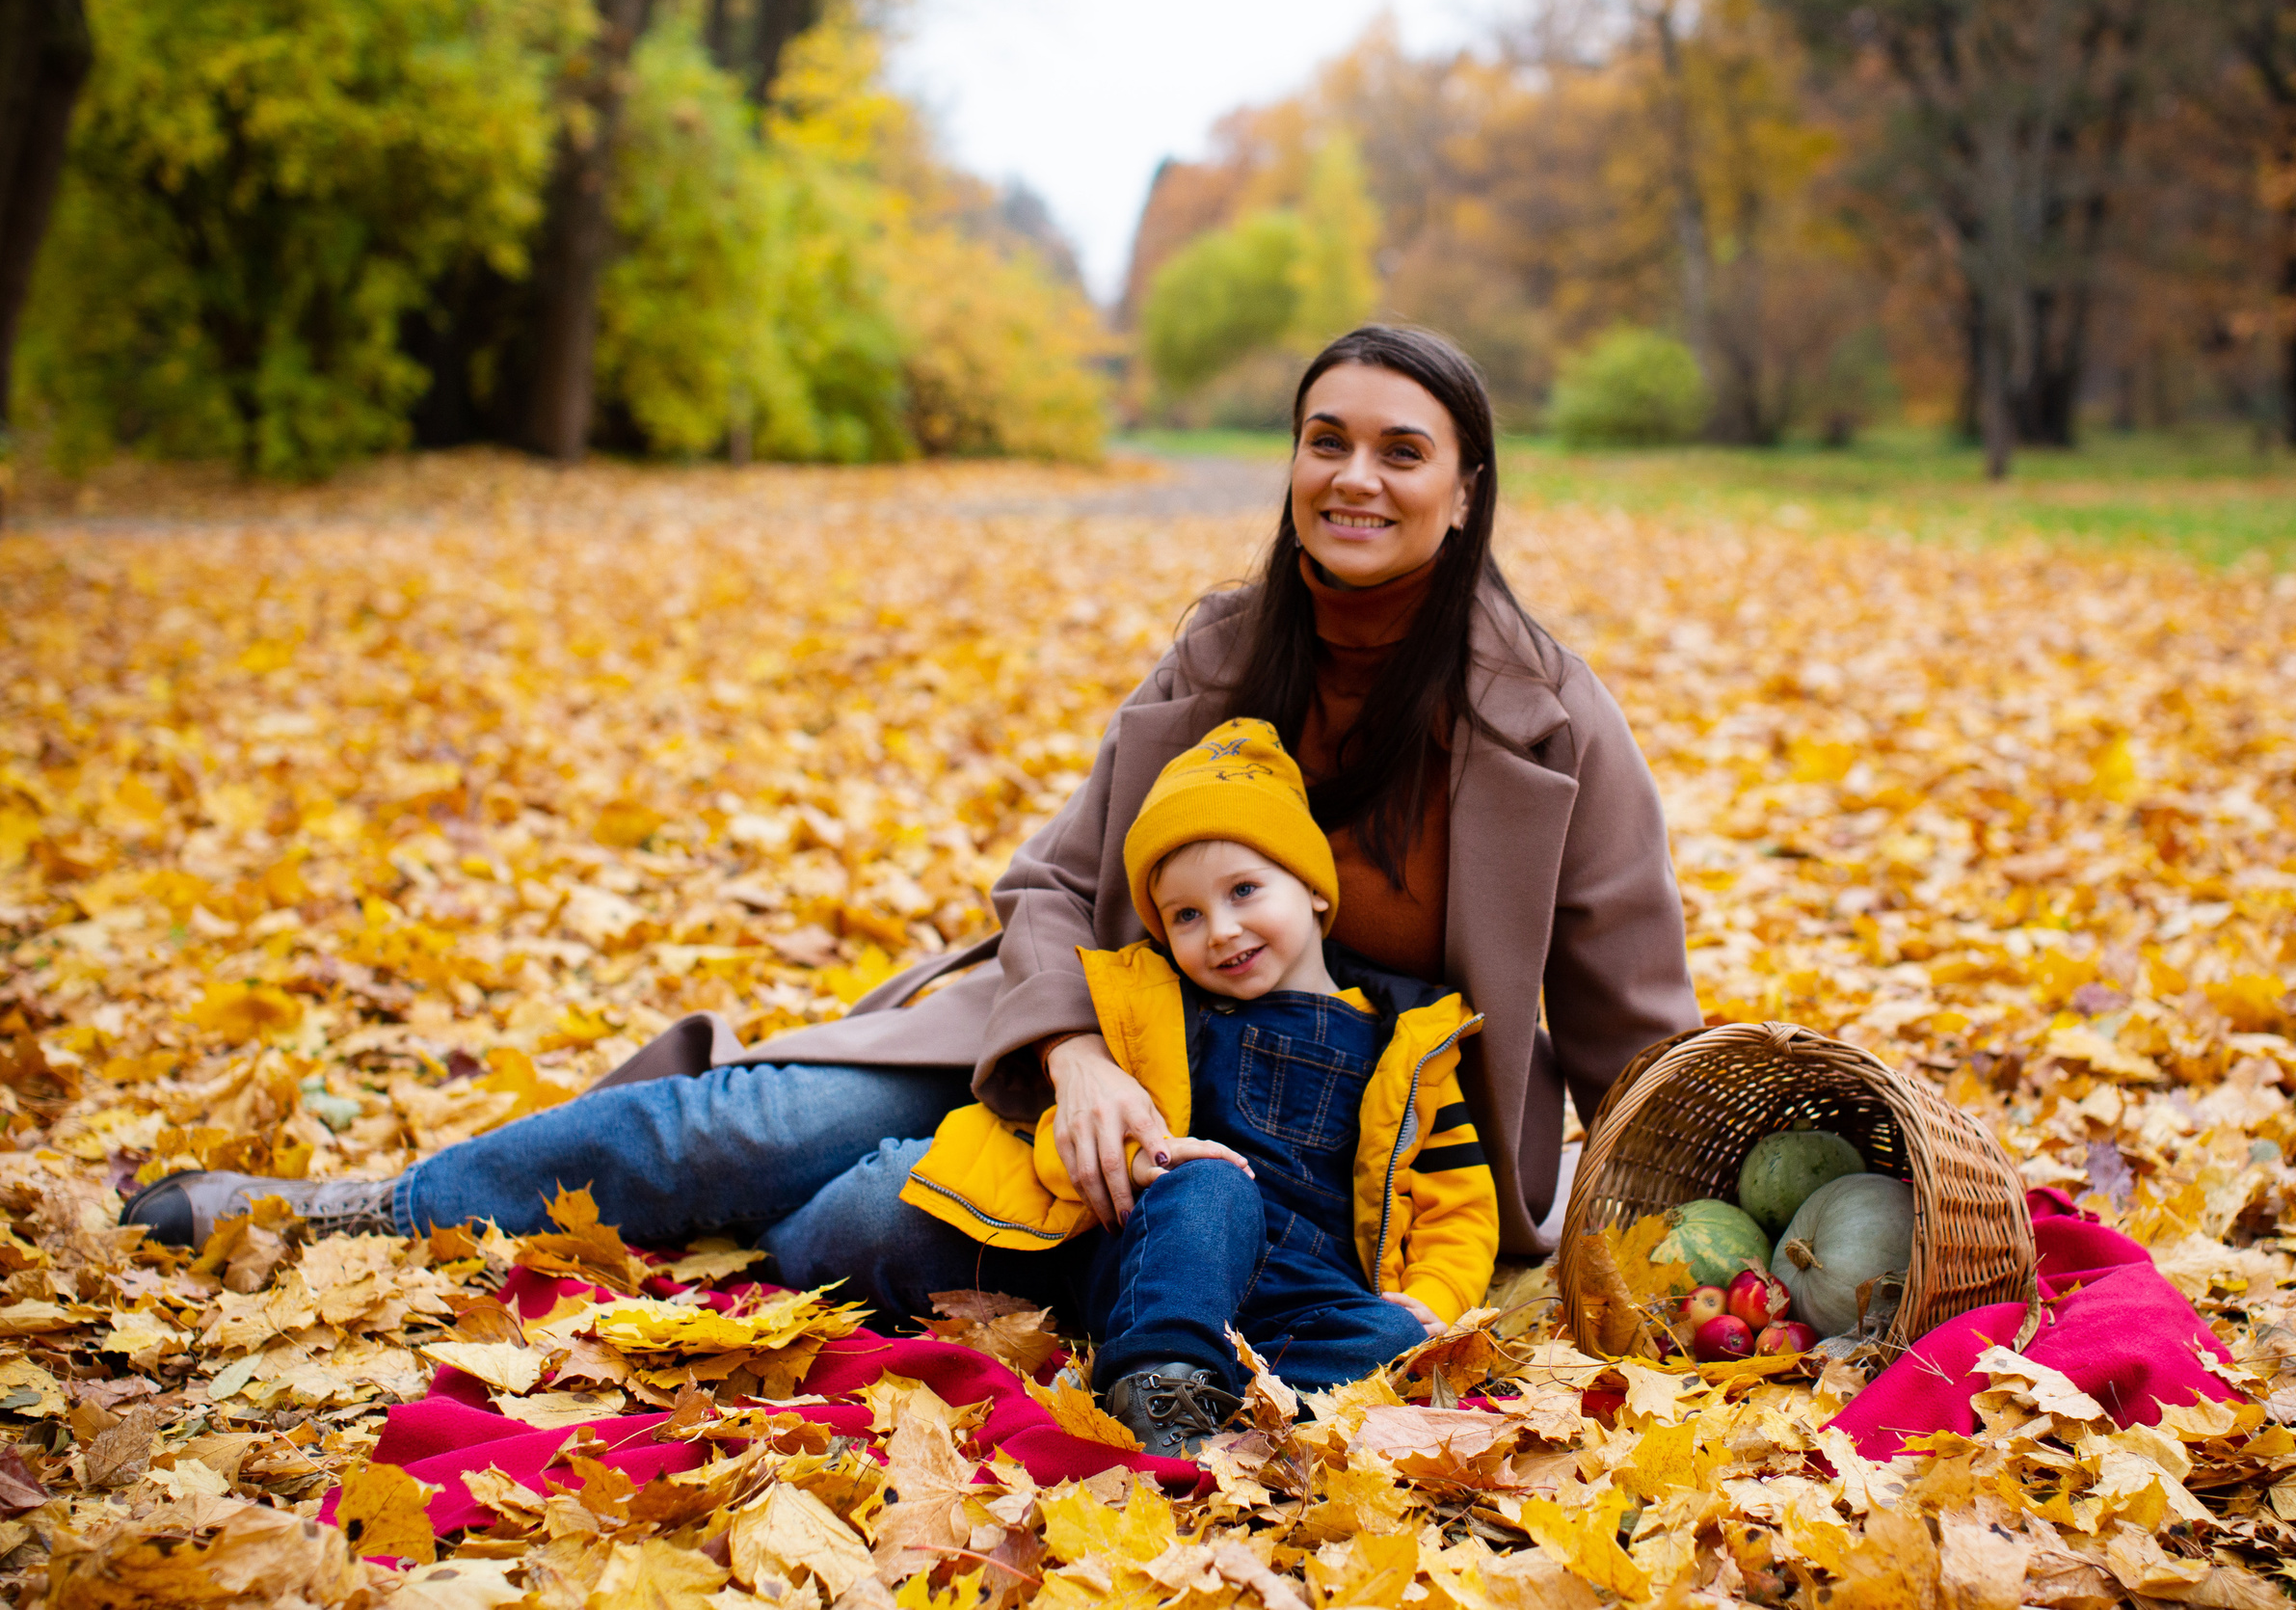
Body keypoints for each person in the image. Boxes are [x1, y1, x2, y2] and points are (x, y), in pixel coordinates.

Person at [122, 325, 1697, 1325]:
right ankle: (356, 1204)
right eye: (1325, 439)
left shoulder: (1550, 719)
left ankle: (755, 1246)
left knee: (860, 1214)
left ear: (1468, 490)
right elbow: (1060, 882)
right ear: (1292, 460)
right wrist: (1072, 1050)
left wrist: (1704, 1234)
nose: (1354, 477)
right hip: (1095, 1050)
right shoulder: (1227, 651)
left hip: (1305, 1161)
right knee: (734, 1120)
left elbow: (1640, 1035)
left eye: (1399, 450)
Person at [899, 716, 1495, 1455]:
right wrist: (1137, 1160)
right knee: (1216, 1184)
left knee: (1398, 1334)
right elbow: (1062, 1133)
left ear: (1312, 888)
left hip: (1308, 1291)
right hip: (1167, 1251)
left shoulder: (1406, 1042)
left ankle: (1241, 1397)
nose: (1220, 929)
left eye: (1245, 890)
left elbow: (1459, 1201)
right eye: (1186, 914)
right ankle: (1158, 1373)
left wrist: (1438, 1295)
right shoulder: (1160, 1011)